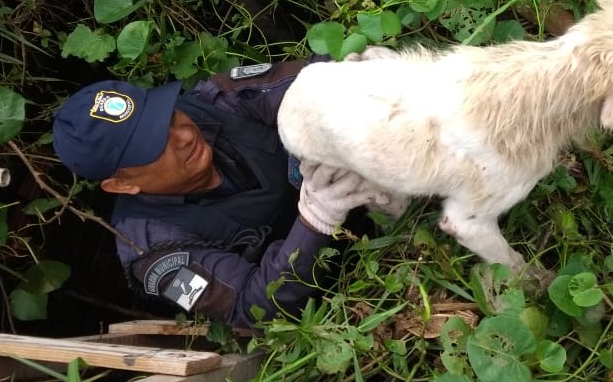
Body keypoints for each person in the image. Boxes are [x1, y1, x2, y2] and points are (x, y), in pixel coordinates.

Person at [51, 58, 390, 329]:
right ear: (122, 185)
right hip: (344, 291)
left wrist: (354, 78)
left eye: (168, 117)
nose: (182, 135)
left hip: (381, 200)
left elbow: (308, 86)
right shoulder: (154, 250)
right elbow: (251, 309)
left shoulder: (219, 99)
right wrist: (318, 218)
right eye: (155, 145)